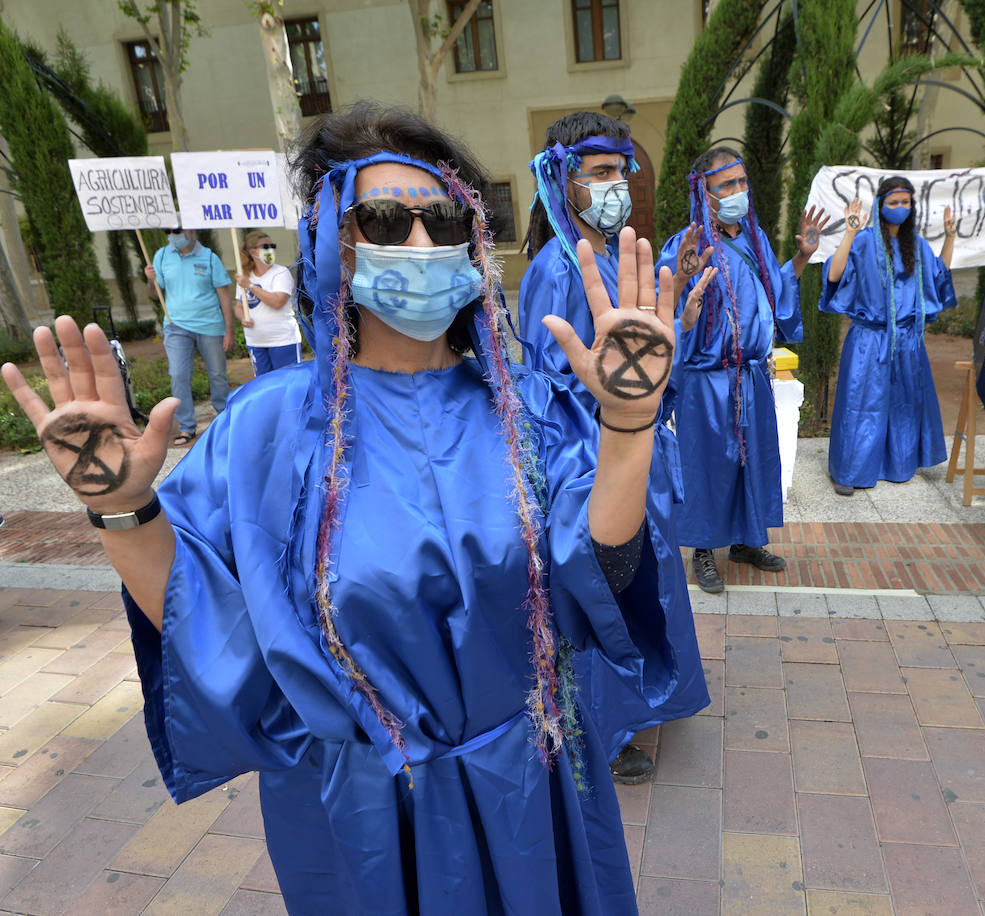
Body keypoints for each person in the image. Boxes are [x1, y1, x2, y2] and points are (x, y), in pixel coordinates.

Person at [4, 102, 683, 914]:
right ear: (334, 240)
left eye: (445, 220)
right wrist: (121, 507)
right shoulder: (267, 429)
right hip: (361, 816)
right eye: (388, 219)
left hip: (530, 790)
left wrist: (628, 422)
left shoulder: (527, 409)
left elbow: (600, 574)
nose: (423, 245)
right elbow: (201, 614)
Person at [519, 112, 710, 785]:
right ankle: (600, 726)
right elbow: (548, 381)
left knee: (641, 567)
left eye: (620, 172)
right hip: (583, 452)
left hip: (624, 439)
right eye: (600, 174)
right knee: (597, 576)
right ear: (561, 183)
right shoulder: (560, 264)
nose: (616, 186)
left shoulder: (605, 256)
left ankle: (641, 697)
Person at [657, 147, 824, 593]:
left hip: (752, 375)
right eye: (726, 185)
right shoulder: (685, 244)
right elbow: (662, 308)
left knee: (753, 461)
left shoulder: (756, 239)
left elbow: (774, 290)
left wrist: (803, 258)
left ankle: (747, 541)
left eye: (741, 182)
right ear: (704, 192)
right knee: (708, 466)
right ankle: (704, 551)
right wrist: (677, 281)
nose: (737, 192)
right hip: (706, 379)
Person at [821, 178, 957, 495]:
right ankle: (849, 470)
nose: (900, 209)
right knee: (860, 404)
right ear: (881, 205)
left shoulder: (918, 245)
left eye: (906, 203)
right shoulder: (865, 241)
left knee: (902, 403)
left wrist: (950, 238)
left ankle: (898, 464)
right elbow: (834, 275)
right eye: (893, 203)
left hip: (908, 340)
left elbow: (938, 278)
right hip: (869, 340)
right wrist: (850, 232)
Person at [143, 225, 234, 447]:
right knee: (178, 374)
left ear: (191, 231)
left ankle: (225, 419)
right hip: (176, 326)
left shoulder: (210, 258)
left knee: (218, 374)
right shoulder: (162, 256)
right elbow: (155, 294)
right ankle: (187, 427)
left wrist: (229, 331)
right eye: (169, 232)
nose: (173, 236)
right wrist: (149, 279)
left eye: (177, 231)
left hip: (210, 325)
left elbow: (224, 297)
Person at [236, 229, 302, 376]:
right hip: (256, 342)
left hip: (282, 340)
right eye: (265, 247)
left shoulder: (281, 272)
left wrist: (251, 287)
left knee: (287, 383)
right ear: (253, 252)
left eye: (272, 246)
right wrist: (243, 318)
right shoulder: (245, 276)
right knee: (263, 385)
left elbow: (278, 301)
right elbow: (239, 306)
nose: (270, 250)